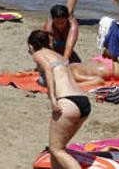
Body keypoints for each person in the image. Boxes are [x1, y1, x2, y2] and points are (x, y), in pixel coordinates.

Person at [29, 30, 90, 169]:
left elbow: (49, 71)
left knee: (57, 150)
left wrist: (52, 99)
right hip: (83, 101)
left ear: (32, 46)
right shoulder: (59, 56)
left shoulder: (38, 54)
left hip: (67, 103)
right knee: (57, 148)